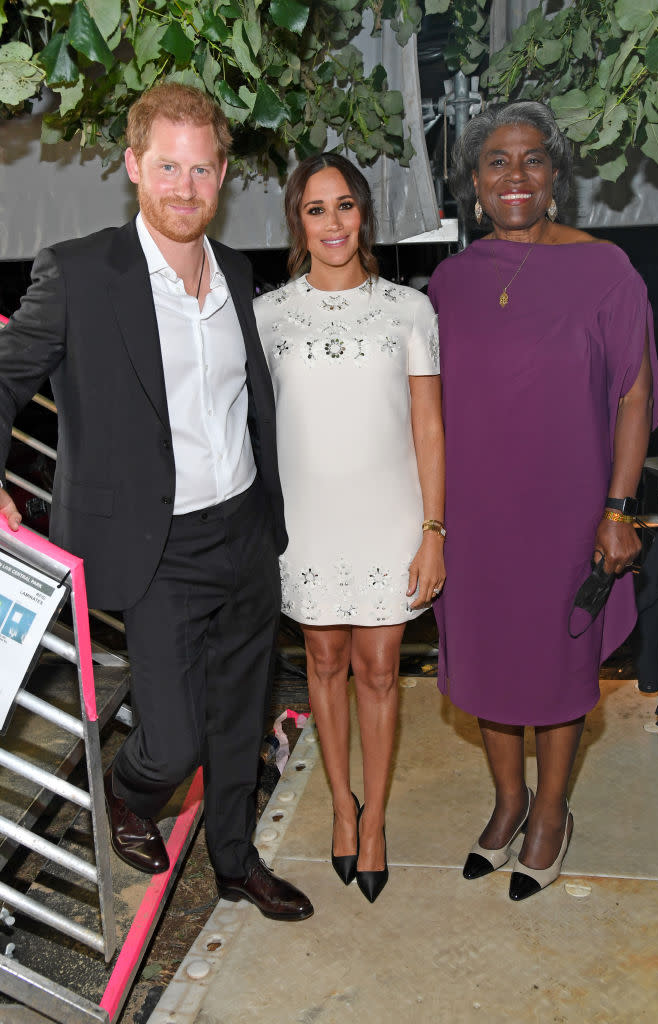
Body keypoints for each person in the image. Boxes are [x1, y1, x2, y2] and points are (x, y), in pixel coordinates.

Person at [0, 83, 313, 922]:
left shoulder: (236, 271)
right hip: (155, 544)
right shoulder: (78, 273)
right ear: (134, 166)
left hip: (243, 528)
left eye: (201, 168)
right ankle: (131, 794)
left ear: (222, 174)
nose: (184, 186)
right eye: (166, 165)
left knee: (239, 717)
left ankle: (237, 864)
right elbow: (5, 378)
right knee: (170, 740)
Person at [429, 101, 658, 901]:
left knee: (558, 667)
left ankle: (551, 814)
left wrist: (616, 508)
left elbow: (633, 398)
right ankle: (506, 805)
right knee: (493, 663)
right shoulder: (450, 283)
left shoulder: (605, 270)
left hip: (568, 510)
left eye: (532, 160)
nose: (515, 176)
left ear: (556, 177)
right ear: (473, 183)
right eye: (496, 161)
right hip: (476, 517)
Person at [255, 153, 445, 903]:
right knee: (322, 665)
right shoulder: (267, 316)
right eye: (314, 209)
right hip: (304, 522)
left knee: (377, 671)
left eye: (343, 206)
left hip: (390, 519)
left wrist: (434, 528)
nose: (331, 222)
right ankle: (340, 807)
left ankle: (375, 824)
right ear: (297, 223)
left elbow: (429, 427)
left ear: (362, 214)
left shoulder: (408, 309)